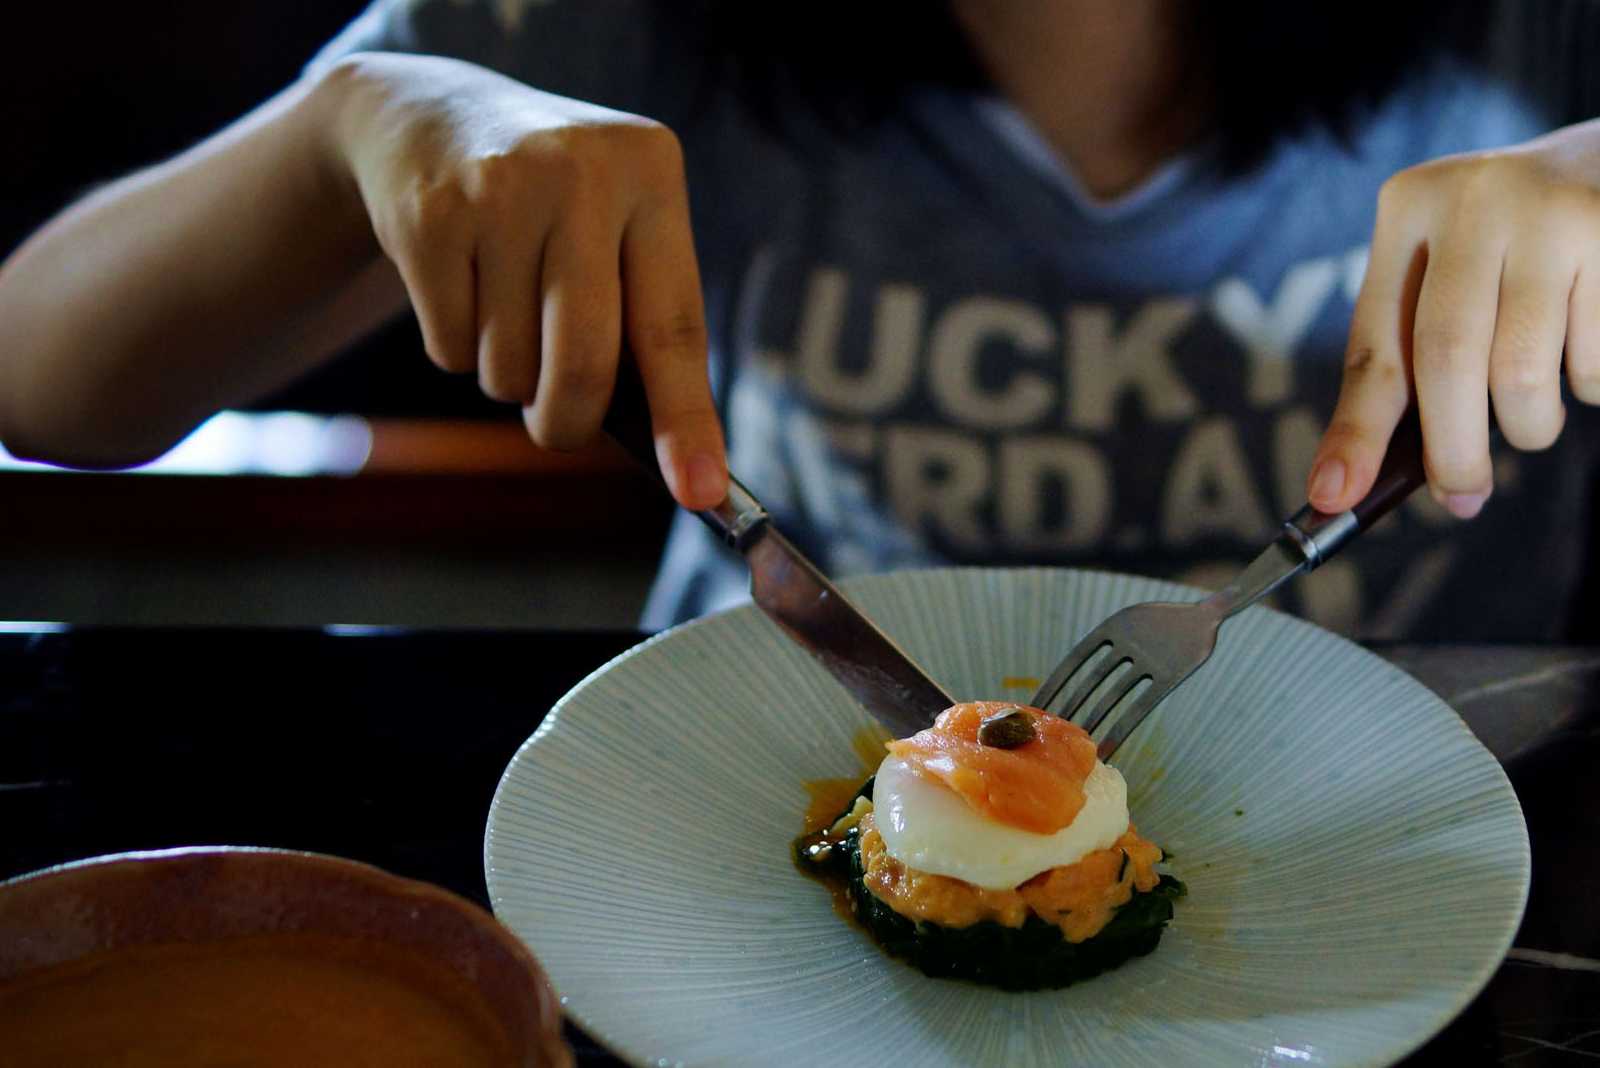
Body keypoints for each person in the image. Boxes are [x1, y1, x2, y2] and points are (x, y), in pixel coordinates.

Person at [1, 0, 1597, 641]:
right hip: (754, 870)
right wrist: (347, 122)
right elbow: (44, 379)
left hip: (1445, 888)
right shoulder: (609, 13)